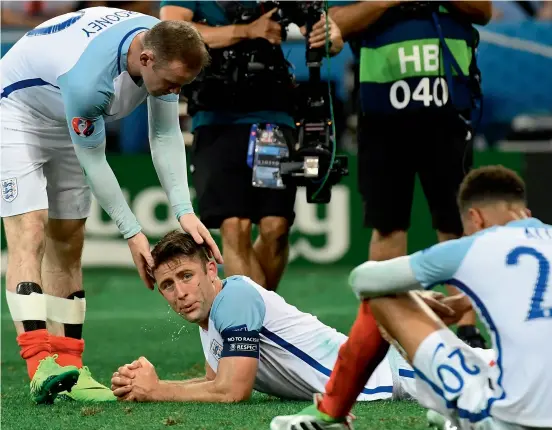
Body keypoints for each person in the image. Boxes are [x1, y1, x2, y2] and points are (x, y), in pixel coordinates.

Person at [0, 6, 223, 404]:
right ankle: (39, 364)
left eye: (181, 86)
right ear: (145, 60)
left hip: (63, 111)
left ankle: (70, 368)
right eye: (171, 84)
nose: (175, 92)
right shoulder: (91, 82)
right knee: (30, 230)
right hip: (16, 110)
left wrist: (183, 210)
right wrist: (132, 232)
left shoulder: (163, 42)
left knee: (68, 238)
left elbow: (164, 134)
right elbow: (94, 162)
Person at [271, 165, 552, 430]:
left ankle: (330, 414)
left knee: (382, 296)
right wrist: (467, 301)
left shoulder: (474, 246)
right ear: (525, 214)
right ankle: (455, 413)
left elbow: (363, 279)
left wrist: (418, 299)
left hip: (514, 428)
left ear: (475, 218)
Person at [328, 0, 493, 348]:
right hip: (383, 118)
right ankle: (385, 331)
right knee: (388, 223)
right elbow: (334, 22)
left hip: (450, 114)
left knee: (455, 223)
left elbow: (484, 10)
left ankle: (467, 329)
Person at [110, 230, 429, 404]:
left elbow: (234, 392)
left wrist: (157, 391)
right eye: (168, 284)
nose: (180, 292)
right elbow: (214, 383)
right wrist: (147, 384)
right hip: (382, 371)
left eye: (186, 276)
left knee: (477, 387)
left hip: (398, 374)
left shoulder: (233, 298)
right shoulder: (210, 315)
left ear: (210, 270)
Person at [160, 1, 343, 291]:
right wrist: (246, 31)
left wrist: (329, 37)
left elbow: (324, 35)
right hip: (215, 117)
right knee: (234, 225)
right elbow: (171, 33)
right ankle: (260, 328)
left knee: (276, 226)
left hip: (271, 119)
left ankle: (261, 319)